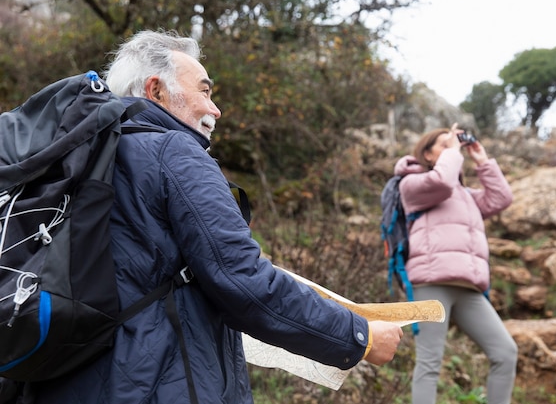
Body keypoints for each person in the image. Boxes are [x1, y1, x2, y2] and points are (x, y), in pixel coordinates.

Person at [25, 30, 403, 404]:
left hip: (65, 377)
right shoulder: (174, 151)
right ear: (156, 91)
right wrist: (359, 336)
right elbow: (242, 280)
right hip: (155, 384)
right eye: (205, 91)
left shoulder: (81, 158)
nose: (216, 109)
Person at [394, 125, 518, 404]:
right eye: (442, 144)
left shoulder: (466, 196)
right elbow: (441, 182)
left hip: (468, 288)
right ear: (426, 154)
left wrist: (482, 160)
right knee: (429, 362)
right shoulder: (412, 185)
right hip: (431, 284)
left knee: (505, 352)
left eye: (453, 145)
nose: (453, 148)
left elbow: (501, 198)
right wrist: (452, 150)